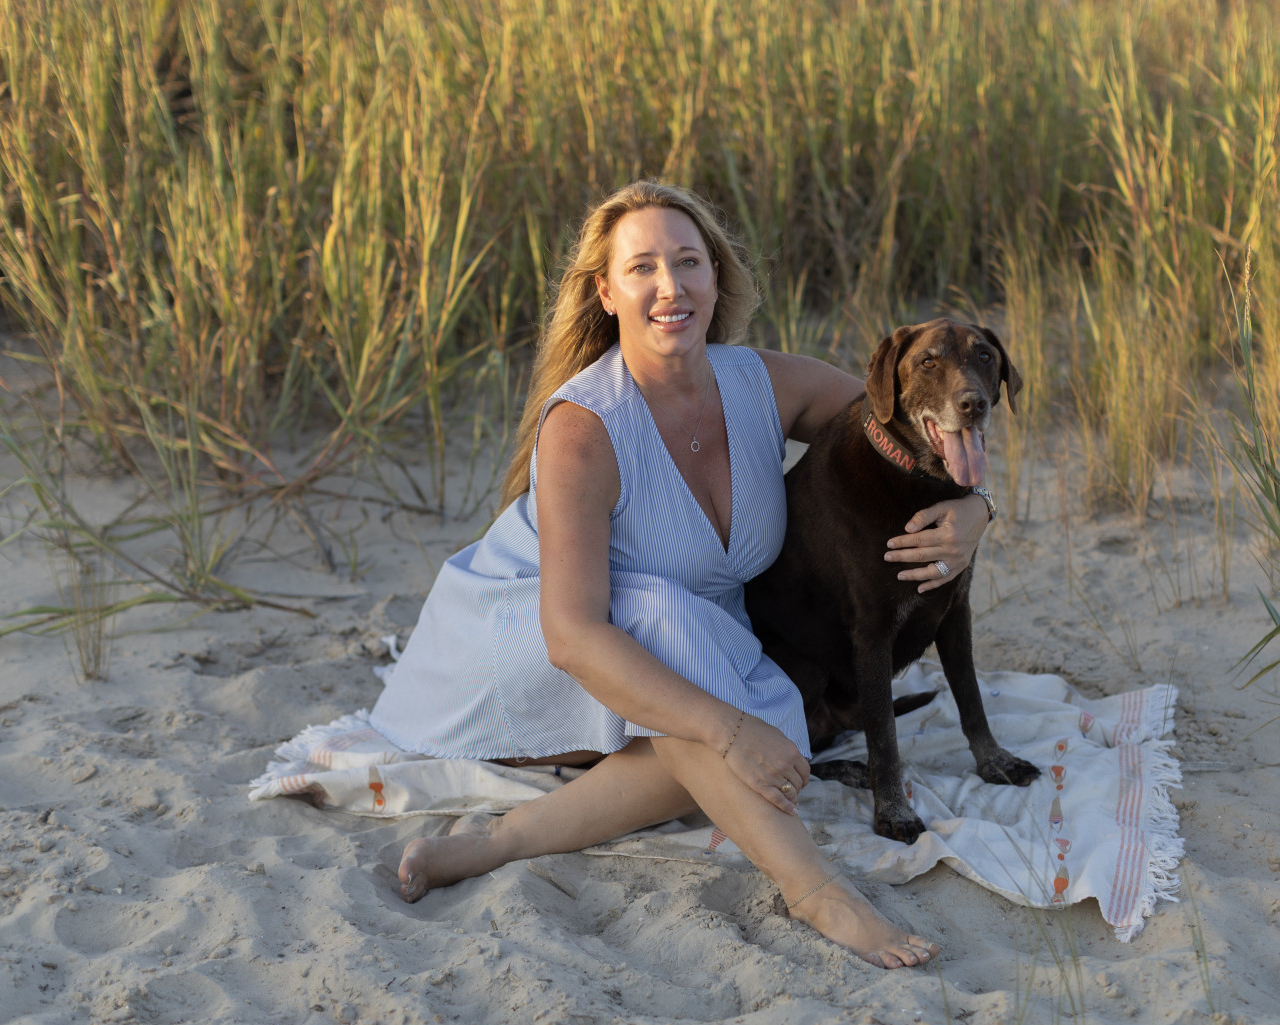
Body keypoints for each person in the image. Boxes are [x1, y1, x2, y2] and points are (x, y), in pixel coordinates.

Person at [369, 181, 991, 968]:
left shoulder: (763, 383)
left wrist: (977, 509)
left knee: (736, 709)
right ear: (607, 291)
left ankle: (497, 843)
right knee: (705, 691)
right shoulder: (583, 428)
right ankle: (818, 891)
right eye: (643, 268)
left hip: (678, 640)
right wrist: (727, 727)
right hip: (520, 640)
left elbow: (902, 428)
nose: (671, 286)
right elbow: (573, 636)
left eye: (689, 261)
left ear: (716, 277)